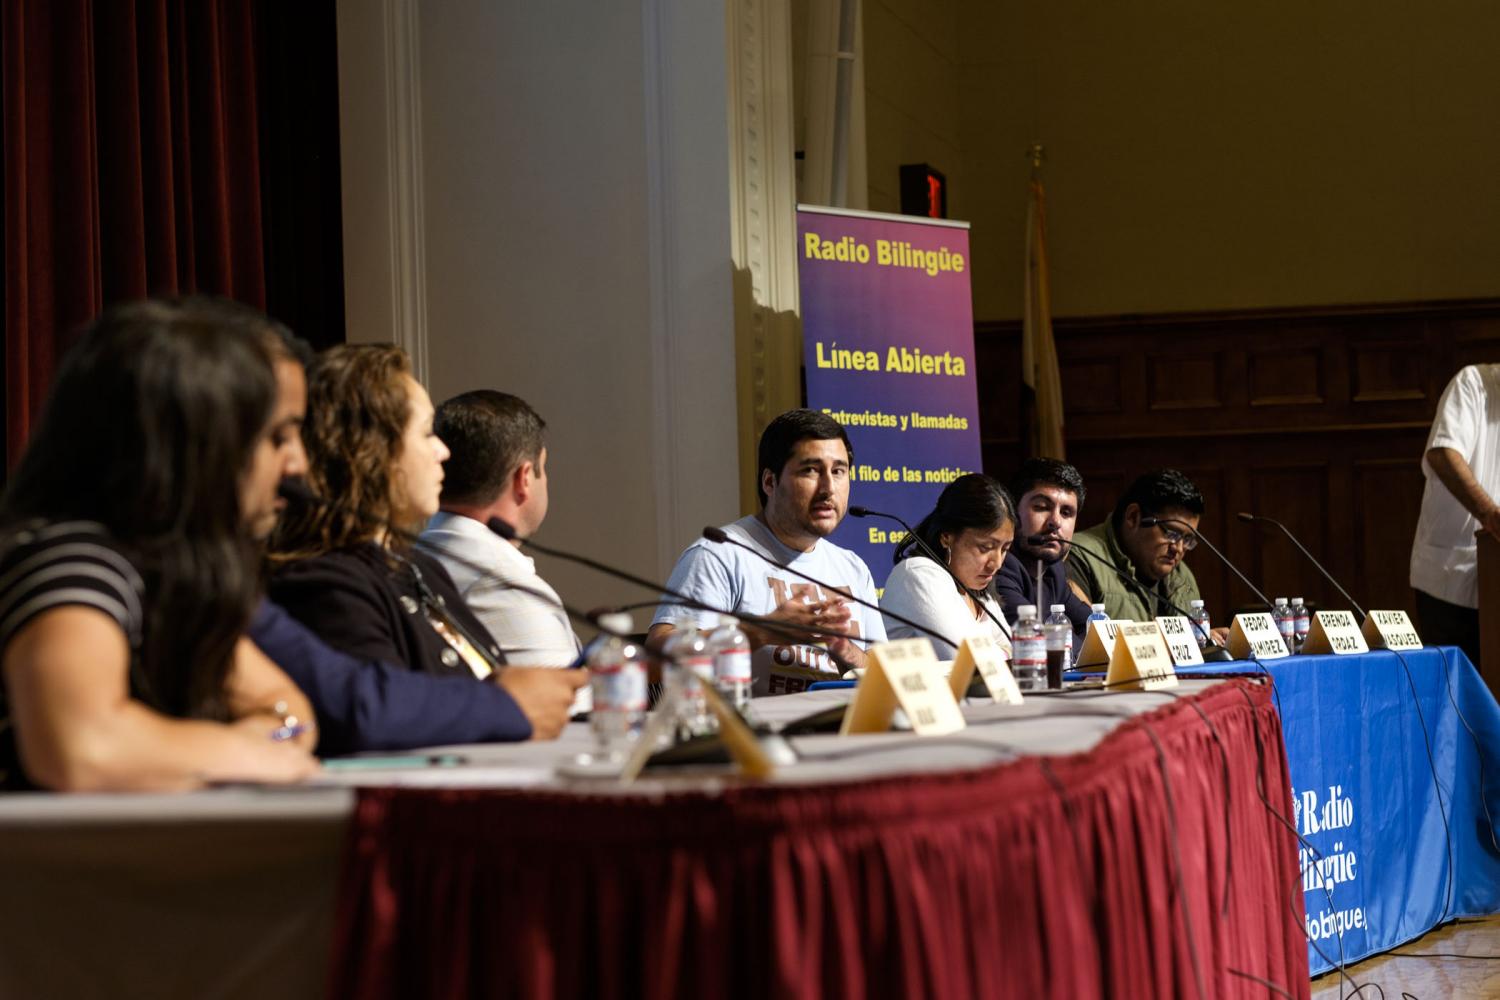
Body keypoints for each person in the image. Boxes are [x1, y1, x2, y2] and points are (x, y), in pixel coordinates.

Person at [0, 298, 318, 791]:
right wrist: (240, 749)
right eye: (277, 437)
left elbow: (286, 707)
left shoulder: (166, 570)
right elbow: (81, 749)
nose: (297, 465)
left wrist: (262, 738)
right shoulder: (72, 559)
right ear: (194, 443)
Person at [243, 333, 577, 749]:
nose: (443, 452)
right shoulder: (322, 581)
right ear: (370, 452)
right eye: (425, 434)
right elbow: (375, 718)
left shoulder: (418, 568)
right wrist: (504, 704)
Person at [648, 409, 886, 695]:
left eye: (838, 471)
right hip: (749, 734)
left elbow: (884, 674)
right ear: (770, 482)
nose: (828, 488)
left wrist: (845, 651)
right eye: (810, 470)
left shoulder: (852, 568)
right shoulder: (720, 554)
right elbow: (655, 659)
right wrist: (760, 632)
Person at [417, 391, 583, 670]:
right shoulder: (506, 590)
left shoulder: (409, 557)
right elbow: (566, 710)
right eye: (544, 467)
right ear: (525, 478)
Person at [1409, 364, 1500, 668]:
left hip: (1495, 584)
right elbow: (1443, 453)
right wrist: (1490, 513)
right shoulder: (1473, 384)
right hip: (1451, 582)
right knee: (1455, 699)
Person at [879, 474, 1015, 659]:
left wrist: (997, 654)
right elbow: (968, 661)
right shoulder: (918, 574)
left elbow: (1014, 653)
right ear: (946, 537)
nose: (996, 563)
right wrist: (999, 653)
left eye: (1005, 548)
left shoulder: (976, 588)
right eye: (985, 548)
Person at [1067, 469, 1217, 632]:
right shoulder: (1081, 556)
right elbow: (1081, 645)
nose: (1178, 548)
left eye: (1187, 539)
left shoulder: (1183, 576)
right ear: (1133, 517)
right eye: (1172, 533)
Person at [995, 458, 1092, 636]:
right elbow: (1038, 641)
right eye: (1041, 507)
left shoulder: (1055, 572)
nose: (1055, 522)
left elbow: (1098, 631)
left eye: (1066, 513)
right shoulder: (999, 566)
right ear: (1012, 511)